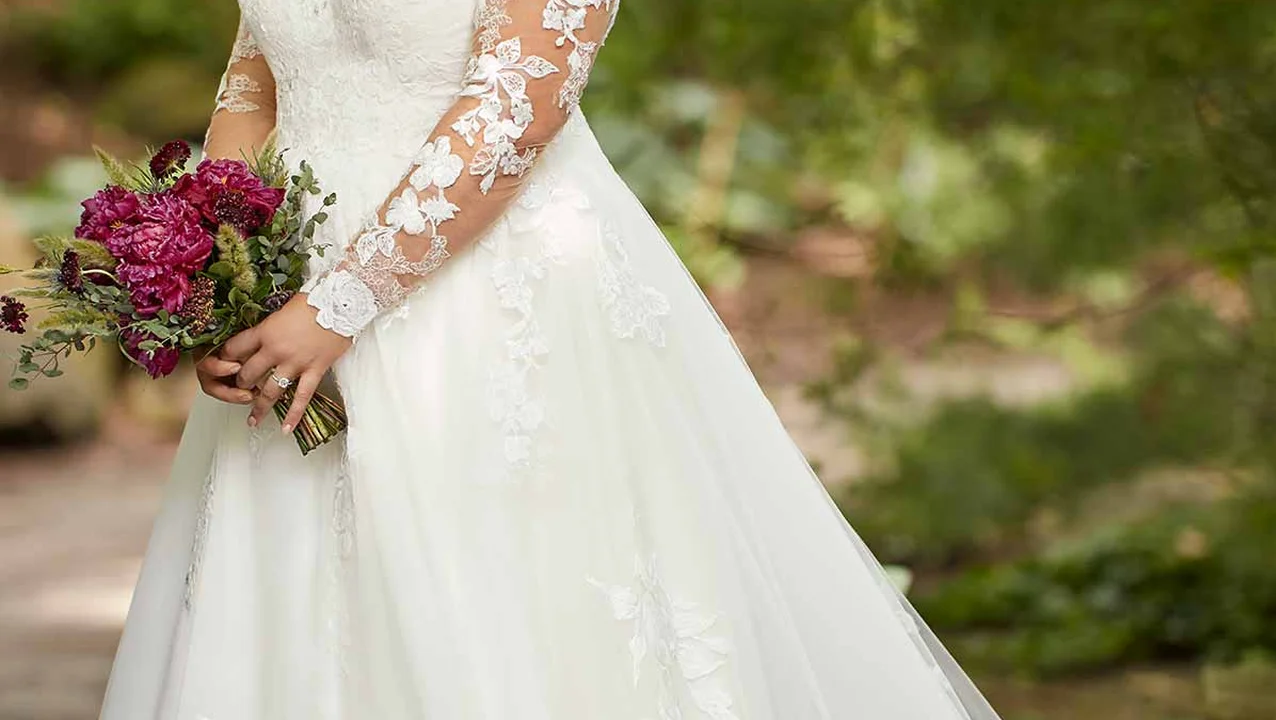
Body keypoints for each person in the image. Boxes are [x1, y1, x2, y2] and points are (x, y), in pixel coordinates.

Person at [100, 2, 1003, 718]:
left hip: (478, 292)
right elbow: (253, 89)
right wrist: (223, 266)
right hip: (288, 280)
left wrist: (337, 306)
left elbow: (515, 109)